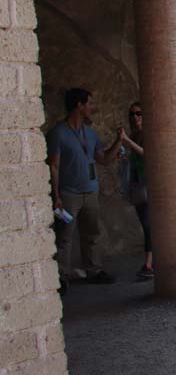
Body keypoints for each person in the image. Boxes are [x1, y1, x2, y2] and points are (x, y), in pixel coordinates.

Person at [46, 88, 124, 293]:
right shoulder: (58, 133)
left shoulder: (90, 133)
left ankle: (94, 270)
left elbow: (103, 159)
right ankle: (60, 276)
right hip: (68, 193)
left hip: (91, 191)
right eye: (89, 103)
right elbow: (53, 166)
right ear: (78, 105)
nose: (92, 107)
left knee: (92, 233)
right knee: (64, 236)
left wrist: (119, 141)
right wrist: (56, 196)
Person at [119, 102, 153, 279]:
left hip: (149, 184)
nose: (135, 118)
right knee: (146, 224)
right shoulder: (134, 135)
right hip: (137, 184)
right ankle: (150, 262)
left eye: (138, 114)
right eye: (131, 115)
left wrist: (127, 142)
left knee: (149, 225)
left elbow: (148, 153)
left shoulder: (148, 134)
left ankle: (149, 264)